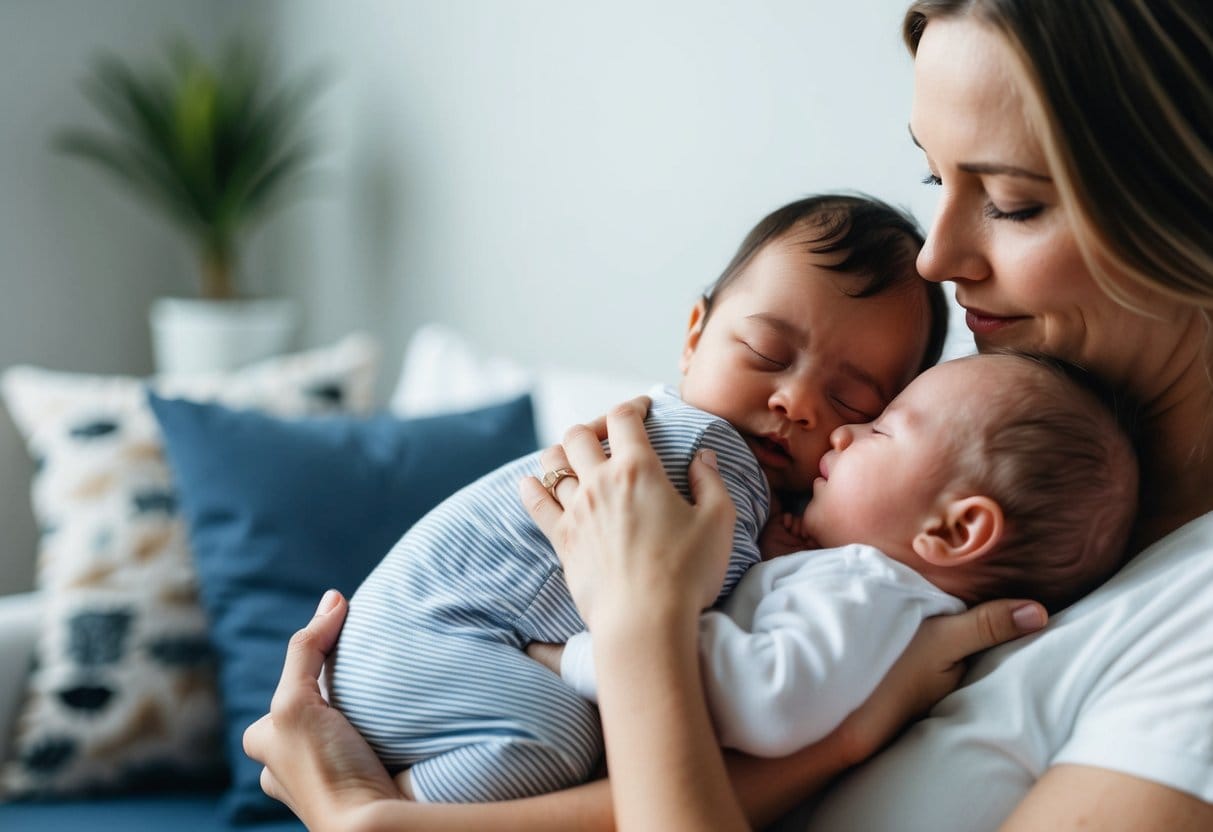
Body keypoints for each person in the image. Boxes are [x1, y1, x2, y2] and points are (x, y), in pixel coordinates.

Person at [246, 0, 1213, 828]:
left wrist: (635, 625)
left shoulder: (1178, 611)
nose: (934, 258)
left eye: (1009, 202)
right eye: (934, 177)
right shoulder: (989, 471)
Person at [326, 193, 945, 803]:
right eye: (766, 354)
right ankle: (394, 807)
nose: (798, 401)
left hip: (392, 646)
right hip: (432, 641)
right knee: (563, 743)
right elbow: (688, 638)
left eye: (851, 401)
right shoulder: (709, 452)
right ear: (694, 336)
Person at [547, 352, 1136, 760]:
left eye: (881, 431)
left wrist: (568, 656)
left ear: (955, 529)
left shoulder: (866, 588)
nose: (842, 433)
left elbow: (765, 699)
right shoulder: (872, 593)